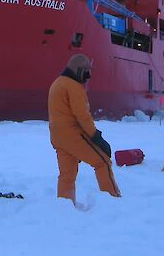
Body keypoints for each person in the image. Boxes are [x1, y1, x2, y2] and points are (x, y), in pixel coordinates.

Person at [48, 54, 121, 203]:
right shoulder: (73, 86)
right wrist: (96, 137)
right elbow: (82, 116)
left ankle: (65, 203)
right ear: (79, 70)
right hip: (73, 135)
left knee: (67, 175)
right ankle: (113, 199)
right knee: (103, 162)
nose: (89, 76)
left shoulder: (57, 83)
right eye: (87, 71)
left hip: (57, 137)